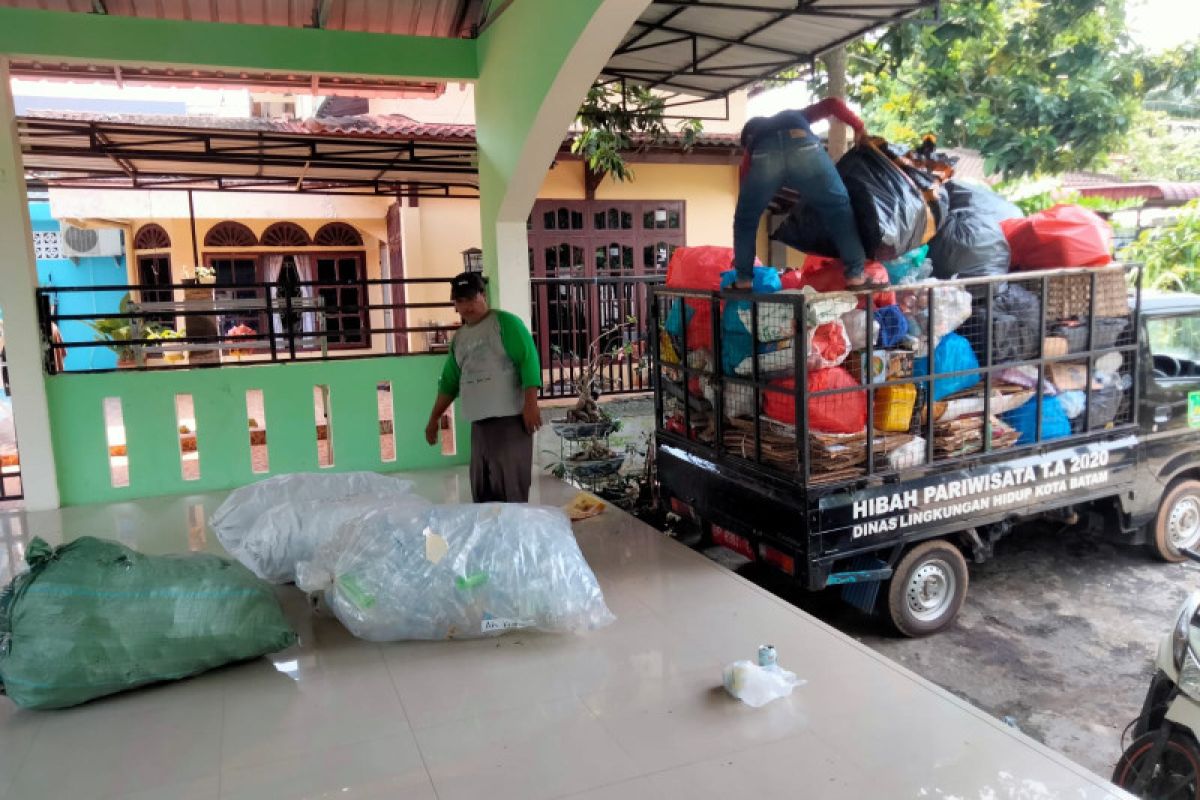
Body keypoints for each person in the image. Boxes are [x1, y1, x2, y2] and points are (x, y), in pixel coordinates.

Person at [732, 98, 878, 290]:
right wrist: (858, 126)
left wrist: (749, 204)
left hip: (766, 157)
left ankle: (743, 281)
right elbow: (833, 103)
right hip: (804, 147)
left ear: (750, 137)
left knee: (745, 221)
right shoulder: (795, 115)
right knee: (838, 209)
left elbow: (744, 181)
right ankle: (856, 276)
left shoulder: (756, 140)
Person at [425, 272, 543, 503]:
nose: (467, 306)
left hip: (510, 421)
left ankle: (514, 538)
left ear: (483, 295)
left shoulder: (505, 323)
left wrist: (531, 405)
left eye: (471, 298)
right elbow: (449, 382)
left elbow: (528, 361)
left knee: (511, 492)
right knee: (483, 493)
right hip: (479, 426)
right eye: (460, 301)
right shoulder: (460, 338)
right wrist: (433, 419)